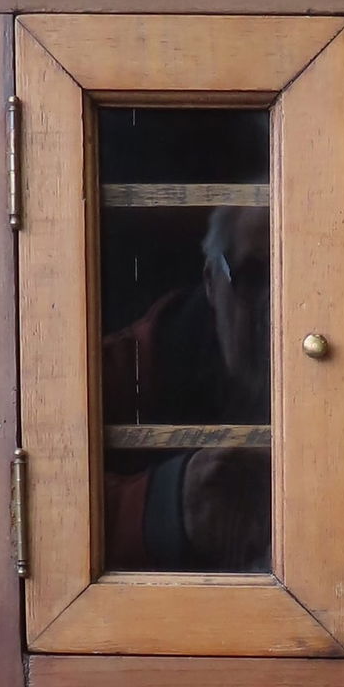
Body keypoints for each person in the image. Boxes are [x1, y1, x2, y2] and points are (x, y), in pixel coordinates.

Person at [102, 204, 272, 573]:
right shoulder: (124, 369)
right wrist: (168, 504)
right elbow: (29, 511)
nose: (276, 307)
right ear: (211, 283)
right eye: (255, 277)